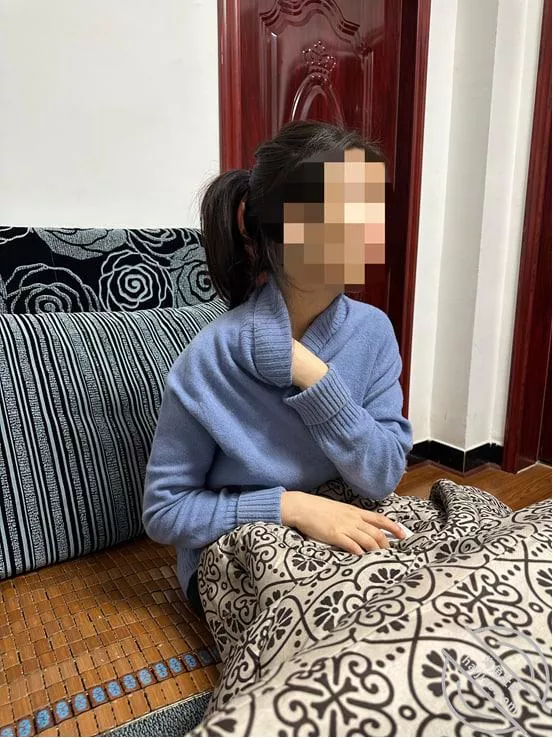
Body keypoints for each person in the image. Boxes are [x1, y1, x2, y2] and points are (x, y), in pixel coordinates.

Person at [142, 120, 413, 620]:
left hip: (347, 523)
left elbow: (382, 476)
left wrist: (317, 379)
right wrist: (290, 507)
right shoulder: (210, 357)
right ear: (278, 226)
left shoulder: (373, 331)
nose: (365, 232)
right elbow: (165, 511)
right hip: (243, 552)